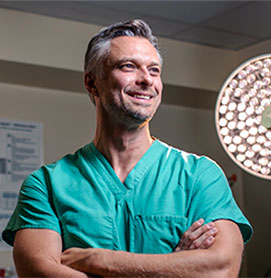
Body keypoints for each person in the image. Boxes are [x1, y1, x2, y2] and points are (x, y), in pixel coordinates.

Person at [2, 19, 252, 277]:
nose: (146, 80)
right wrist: (172, 267)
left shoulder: (200, 175)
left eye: (154, 70)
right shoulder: (46, 185)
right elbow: (37, 273)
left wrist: (101, 260)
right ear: (91, 83)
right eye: (129, 66)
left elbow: (221, 268)